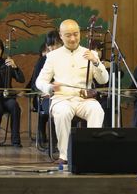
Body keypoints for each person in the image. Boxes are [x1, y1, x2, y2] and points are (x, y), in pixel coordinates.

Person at [36, 19, 109, 165]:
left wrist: (96, 62)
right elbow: (40, 81)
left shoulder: (90, 53)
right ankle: (64, 155)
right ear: (61, 36)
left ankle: (91, 153)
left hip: (84, 99)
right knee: (62, 112)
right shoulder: (53, 56)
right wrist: (49, 88)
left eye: (76, 34)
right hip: (62, 99)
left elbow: (103, 80)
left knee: (97, 110)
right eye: (68, 35)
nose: (73, 38)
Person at [27, 31, 61, 145]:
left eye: (56, 44)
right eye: (50, 45)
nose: (53, 48)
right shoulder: (42, 60)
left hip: (64, 96)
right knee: (56, 109)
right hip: (46, 98)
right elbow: (35, 85)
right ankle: (55, 143)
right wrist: (45, 91)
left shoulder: (66, 59)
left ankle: (70, 143)